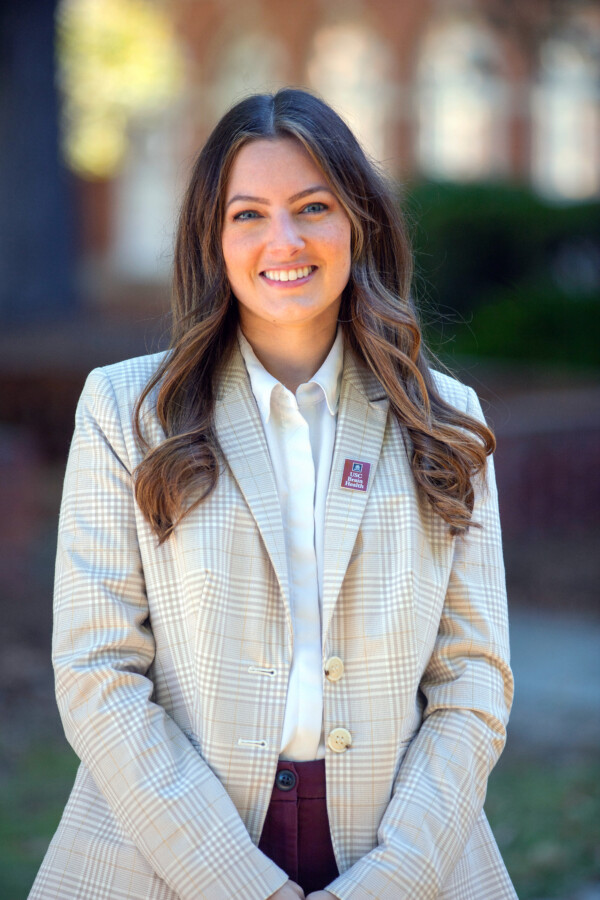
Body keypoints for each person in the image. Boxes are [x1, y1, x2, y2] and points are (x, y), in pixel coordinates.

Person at [30, 88, 516, 900]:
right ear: (212, 240)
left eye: (312, 206)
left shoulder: (445, 420)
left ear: (358, 221)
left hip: (402, 853)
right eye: (248, 214)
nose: (283, 240)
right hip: (165, 853)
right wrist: (241, 885)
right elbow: (97, 670)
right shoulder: (124, 413)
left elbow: (473, 682)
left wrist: (391, 882)